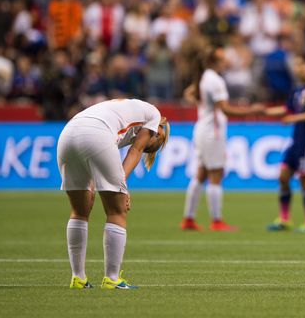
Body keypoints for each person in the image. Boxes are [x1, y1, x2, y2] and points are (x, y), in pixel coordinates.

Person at [58, 99, 170, 289]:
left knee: (80, 210)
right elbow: (135, 151)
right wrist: (122, 187)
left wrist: (95, 182)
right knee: (117, 210)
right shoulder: (155, 116)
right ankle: (112, 278)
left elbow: (95, 154)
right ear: (159, 132)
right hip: (96, 133)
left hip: (68, 133)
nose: (144, 143)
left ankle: (78, 278)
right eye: (153, 144)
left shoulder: (127, 113)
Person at [180, 47, 264, 231]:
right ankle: (216, 221)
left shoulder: (203, 77)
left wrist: (201, 104)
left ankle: (188, 219)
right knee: (216, 174)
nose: (226, 61)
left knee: (201, 175)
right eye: (222, 58)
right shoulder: (215, 80)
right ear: (214, 61)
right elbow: (225, 109)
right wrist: (252, 110)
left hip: (202, 128)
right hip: (213, 132)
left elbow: (189, 94)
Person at [265, 53, 305, 234]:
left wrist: (294, 118)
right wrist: (264, 111)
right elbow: (287, 110)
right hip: (296, 140)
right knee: (283, 177)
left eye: (302, 64)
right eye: (297, 64)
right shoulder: (297, 89)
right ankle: (284, 220)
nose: (298, 68)